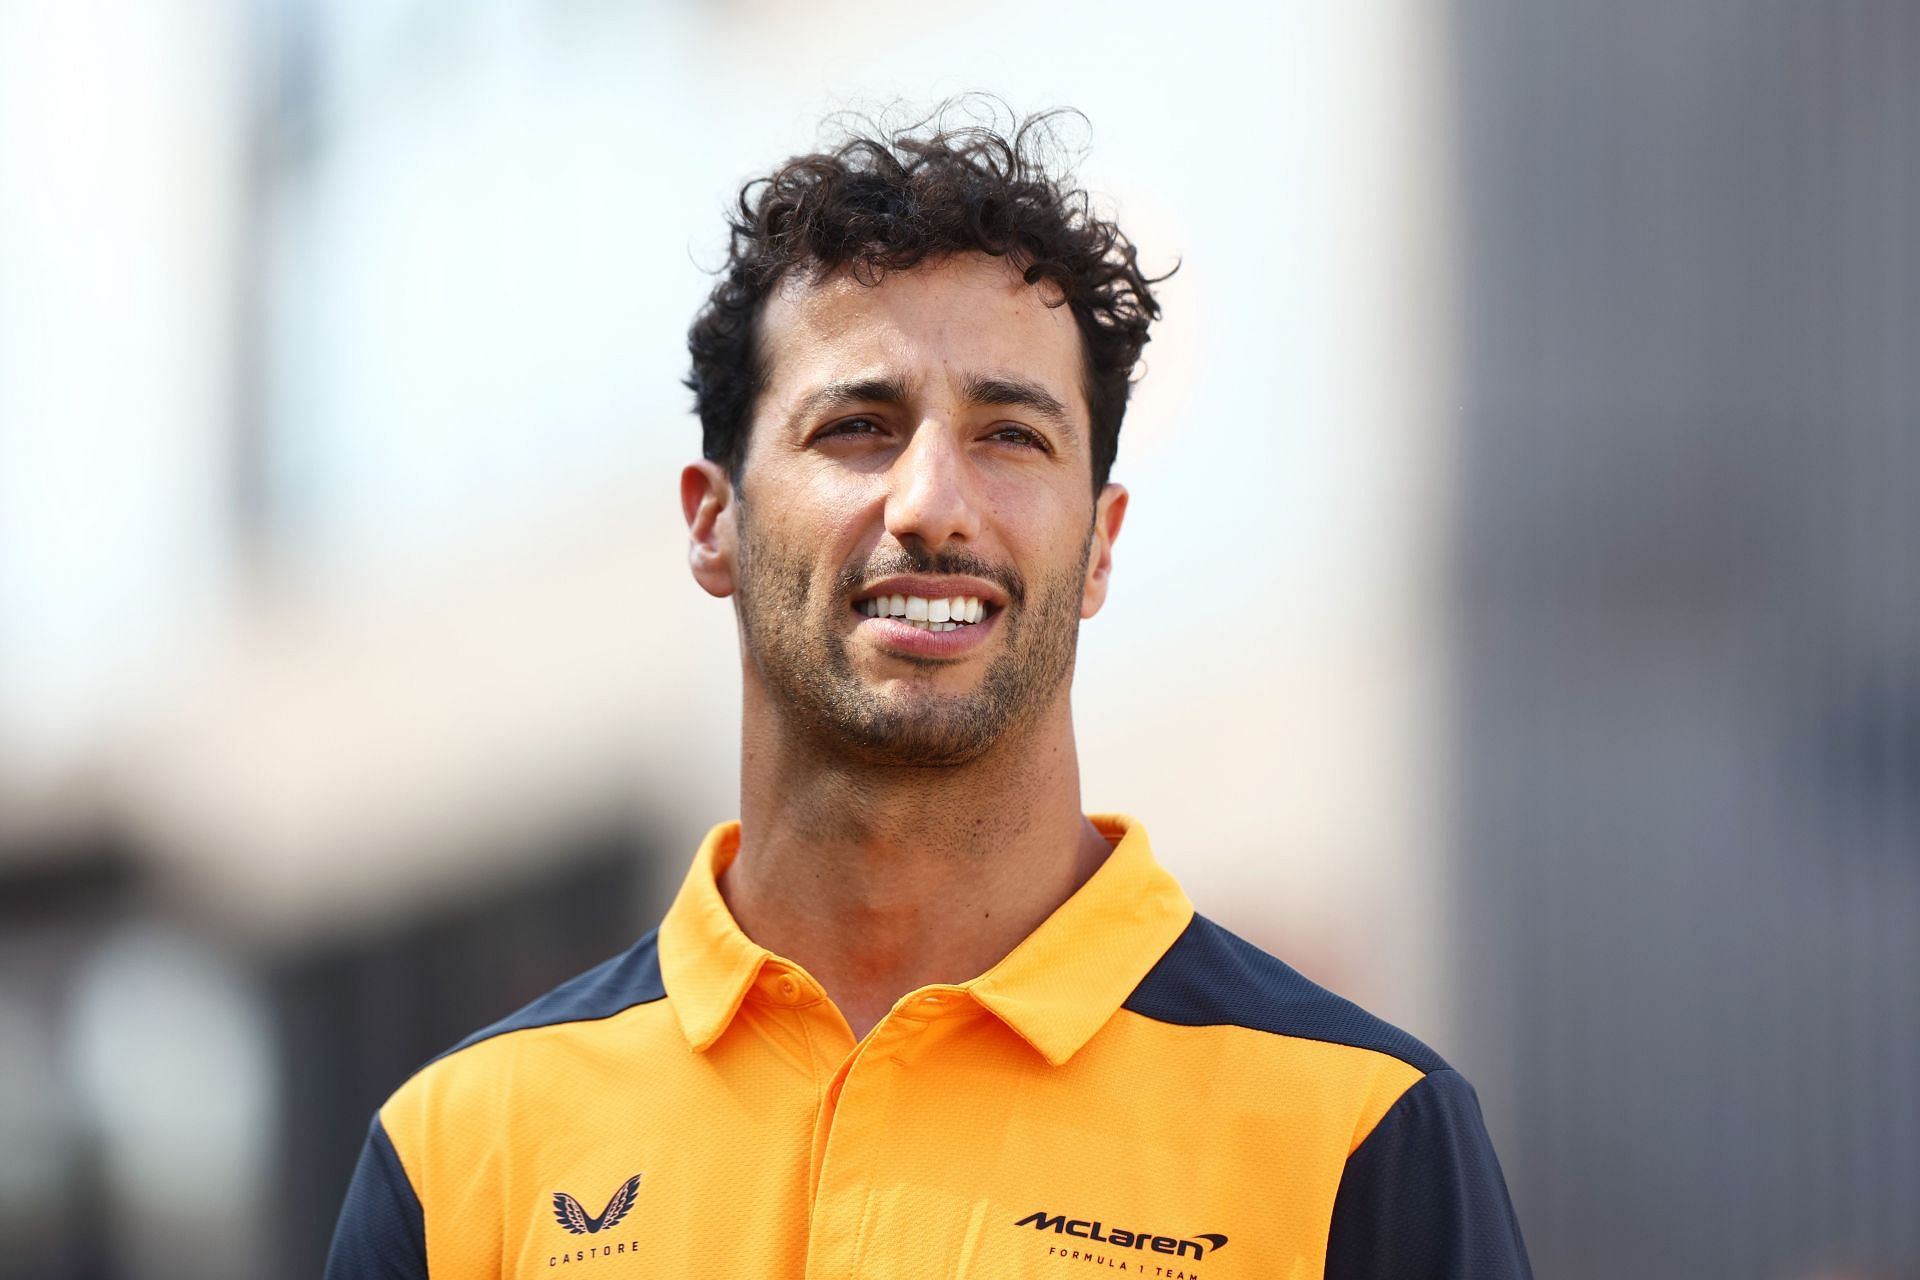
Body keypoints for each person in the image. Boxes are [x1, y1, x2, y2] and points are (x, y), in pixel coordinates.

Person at [325, 106, 1532, 1279]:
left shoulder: (1356, 1134)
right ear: (713, 522)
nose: (932, 502)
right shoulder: (460, 1157)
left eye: (1011, 434)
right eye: (858, 424)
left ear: (1101, 543)